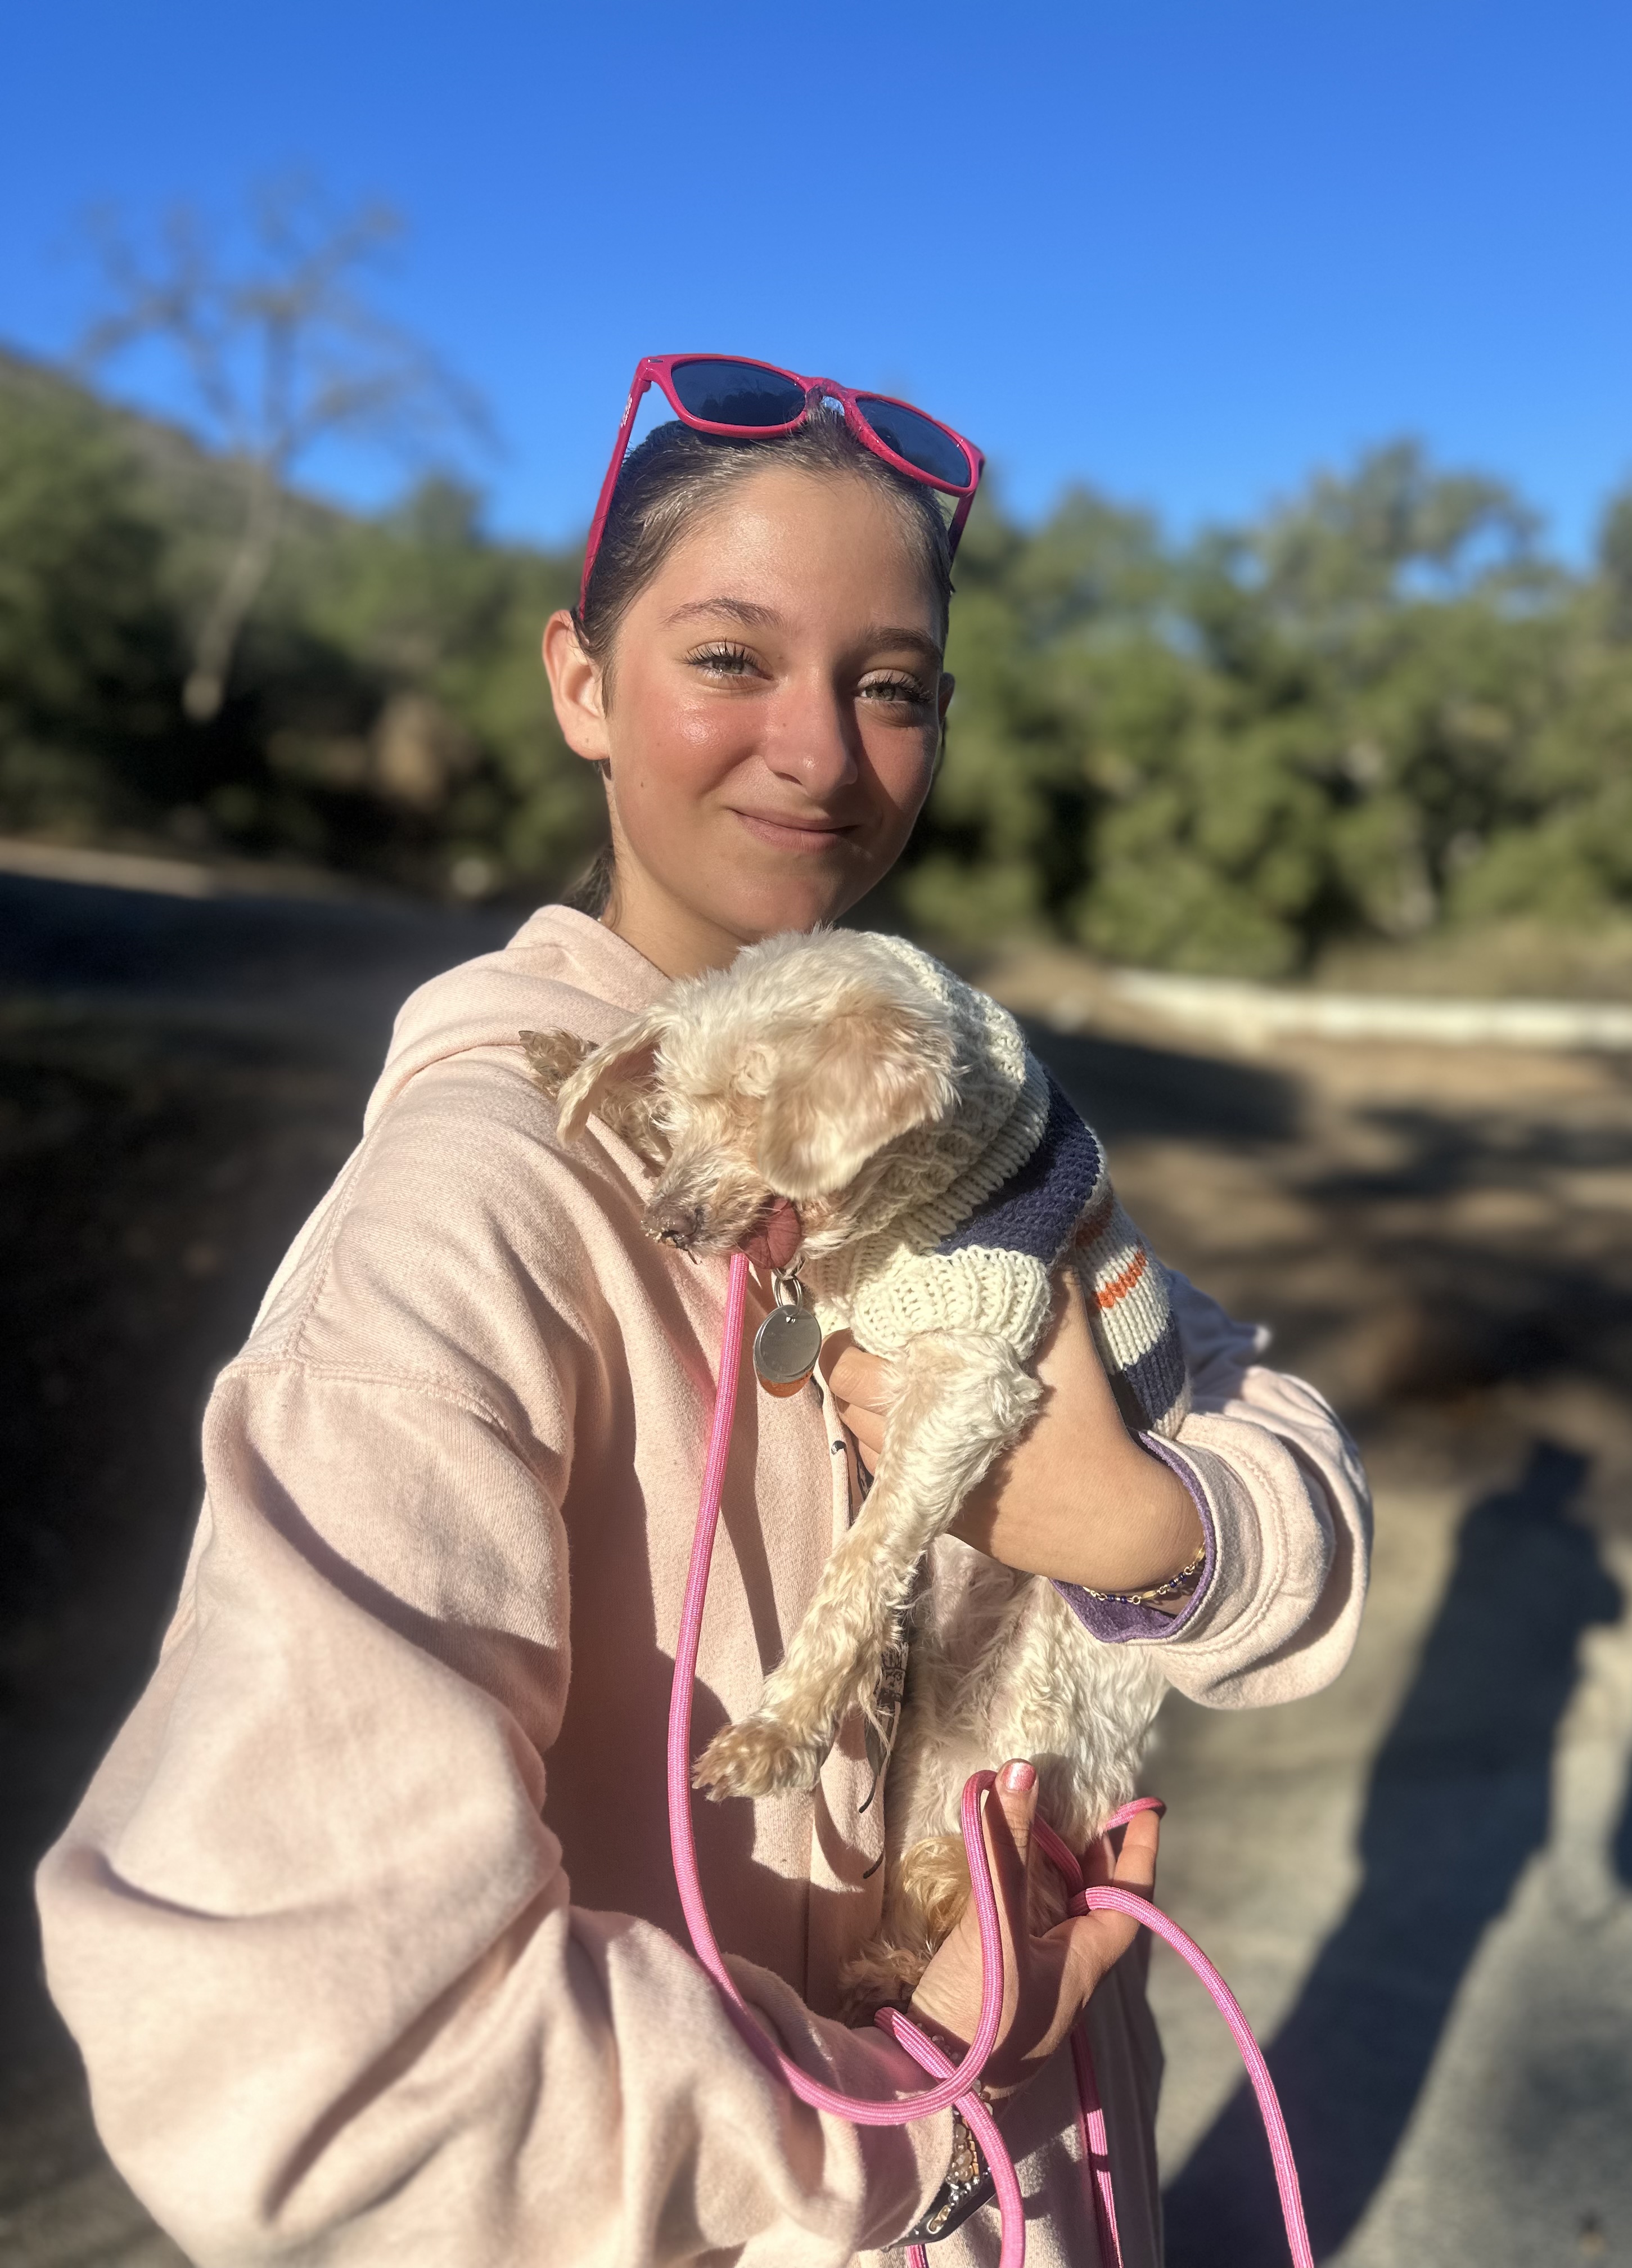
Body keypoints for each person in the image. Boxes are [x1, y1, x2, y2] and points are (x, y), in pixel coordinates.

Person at [37, 358, 1371, 2266]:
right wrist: (901, 2115)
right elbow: (307, 2065)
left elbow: (1281, 1460)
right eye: (730, 658)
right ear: (578, 682)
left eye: (890, 683)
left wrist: (1153, 1540)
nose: (821, 753)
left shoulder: (969, 1123)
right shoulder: (479, 1212)